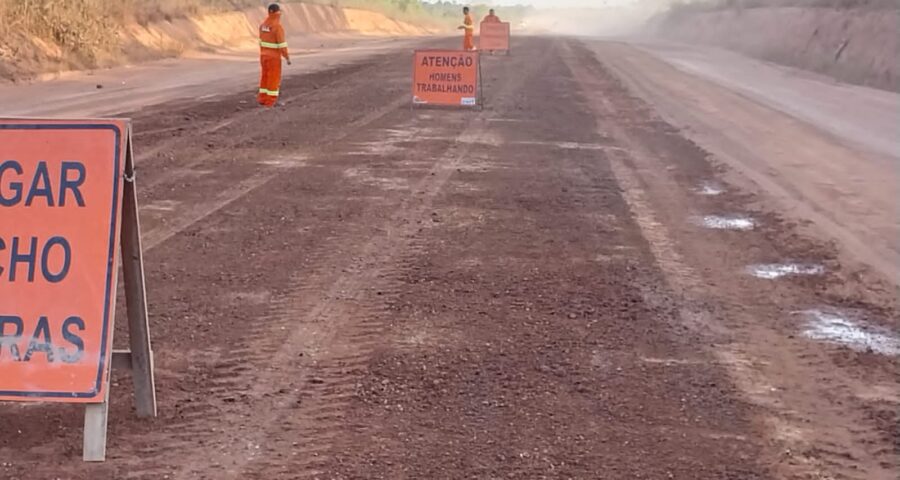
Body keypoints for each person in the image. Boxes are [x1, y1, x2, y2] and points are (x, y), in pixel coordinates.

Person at [258, 3, 291, 107]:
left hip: (263, 56)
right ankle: (271, 101)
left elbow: (261, 41)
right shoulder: (277, 27)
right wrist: (287, 57)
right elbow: (282, 45)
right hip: (274, 58)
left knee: (265, 77)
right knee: (273, 78)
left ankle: (262, 98)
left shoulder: (263, 26)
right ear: (278, 13)